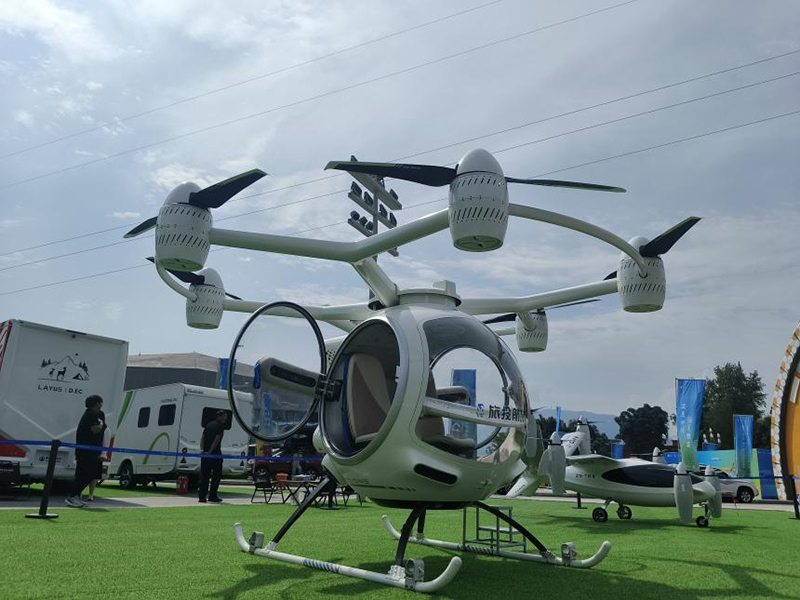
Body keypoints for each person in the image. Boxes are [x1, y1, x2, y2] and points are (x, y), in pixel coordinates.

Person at [66, 395, 106, 507]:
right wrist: (101, 423)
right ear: (98, 403)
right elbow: (95, 429)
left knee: (85, 474)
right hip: (86, 451)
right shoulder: (90, 414)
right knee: (86, 474)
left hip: (91, 450)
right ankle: (72, 496)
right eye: (100, 403)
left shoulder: (94, 414)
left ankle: (76, 496)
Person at [199, 410, 228, 503]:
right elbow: (217, 440)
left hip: (205, 455)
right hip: (215, 454)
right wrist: (211, 451)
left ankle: (202, 497)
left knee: (204, 476)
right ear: (219, 417)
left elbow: (202, 437)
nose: (225, 418)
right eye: (224, 416)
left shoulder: (208, 425)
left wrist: (202, 449)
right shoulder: (220, 427)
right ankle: (212, 495)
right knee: (216, 476)